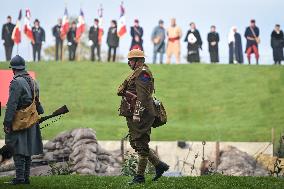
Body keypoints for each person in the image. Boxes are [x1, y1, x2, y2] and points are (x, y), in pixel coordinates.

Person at [117, 49, 169, 185]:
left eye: (131, 60)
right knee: (135, 142)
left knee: (140, 144)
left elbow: (143, 97)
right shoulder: (137, 72)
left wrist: (137, 114)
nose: (129, 62)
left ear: (138, 60)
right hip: (134, 113)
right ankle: (159, 166)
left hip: (142, 114)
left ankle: (139, 177)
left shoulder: (143, 73)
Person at [3, 55, 44, 185]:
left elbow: (11, 104)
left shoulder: (16, 82)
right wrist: (40, 113)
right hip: (31, 120)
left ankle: (19, 178)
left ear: (13, 69)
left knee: (17, 148)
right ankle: (26, 178)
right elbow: (37, 102)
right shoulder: (33, 81)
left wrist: (7, 122)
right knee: (28, 150)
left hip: (19, 120)